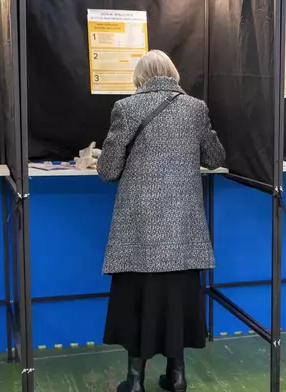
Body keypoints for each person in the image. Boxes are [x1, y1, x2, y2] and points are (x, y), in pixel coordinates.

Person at [97, 49, 225, 392]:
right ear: (174, 74)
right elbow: (215, 158)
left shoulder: (126, 107)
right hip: (182, 231)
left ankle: (135, 381)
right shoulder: (196, 108)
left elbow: (108, 170)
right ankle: (178, 378)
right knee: (177, 302)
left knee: (138, 303)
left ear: (140, 79)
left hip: (138, 230)